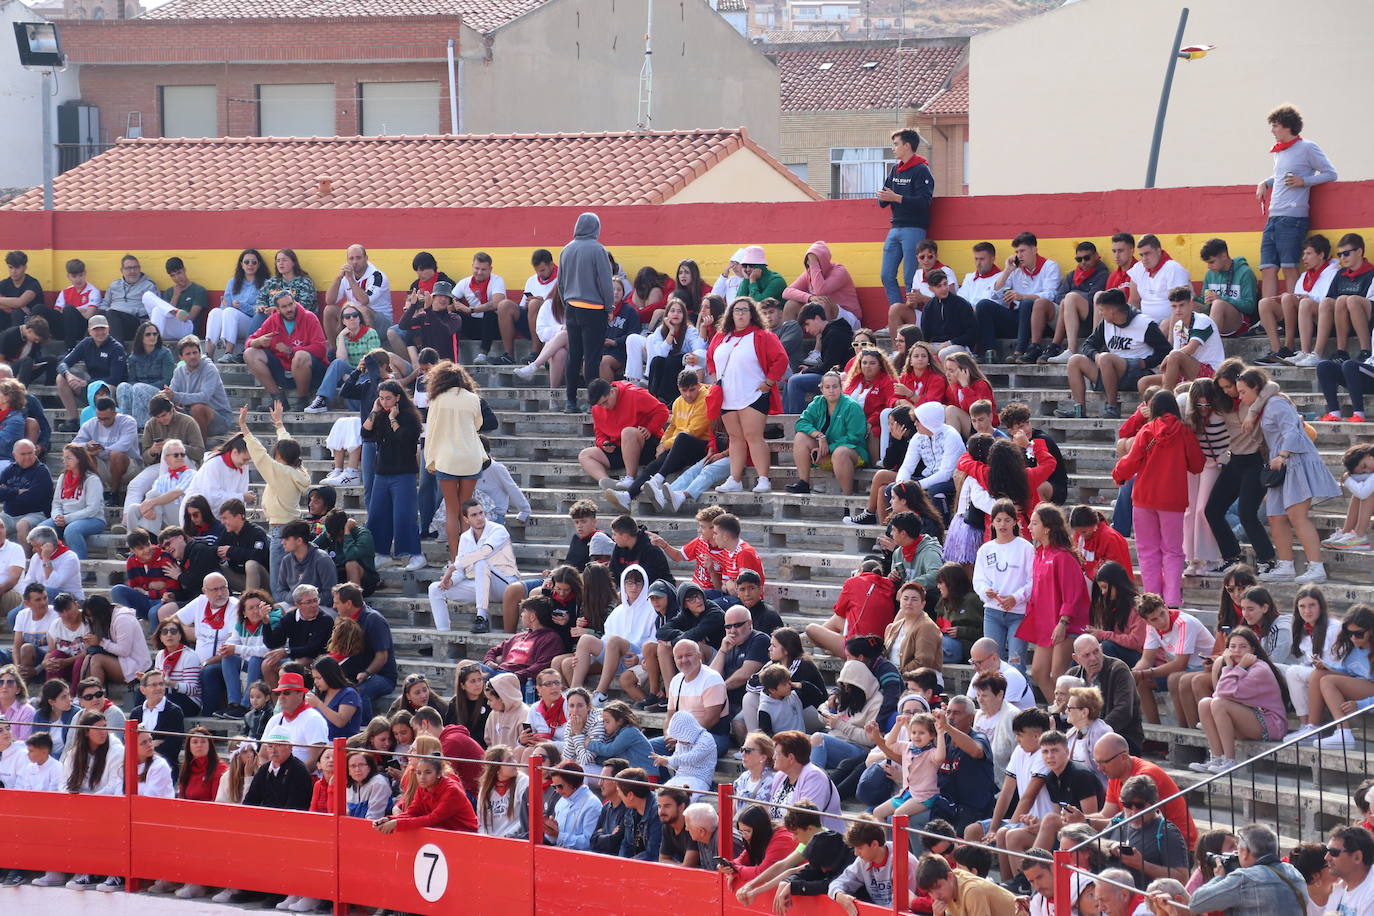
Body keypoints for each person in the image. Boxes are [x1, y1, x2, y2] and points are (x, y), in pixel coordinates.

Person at [1239, 367, 1341, 583]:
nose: (1240, 397)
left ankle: (1316, 567)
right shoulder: (1263, 406)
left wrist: (1283, 456)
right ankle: (1285, 566)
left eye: (1242, 392)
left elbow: (1293, 430)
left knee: (1297, 516)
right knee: (1275, 517)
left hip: (1293, 462)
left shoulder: (1276, 403)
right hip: (1279, 468)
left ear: (1255, 388)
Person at [1111, 390, 1203, 606]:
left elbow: (1131, 461)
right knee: (1172, 551)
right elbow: (1197, 465)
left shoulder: (1146, 431)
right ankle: (1172, 600)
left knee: (1147, 551)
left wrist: (1118, 474)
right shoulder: (1184, 433)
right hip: (1173, 500)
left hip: (1144, 498)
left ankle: (1152, 598)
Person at [1255, 104, 1339, 301]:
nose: (1272, 130)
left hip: (1292, 218)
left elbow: (1331, 173)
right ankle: (1269, 318)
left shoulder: (1307, 147)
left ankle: (1291, 313)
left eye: (1275, 125)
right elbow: (1280, 176)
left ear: (1287, 126)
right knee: (1267, 268)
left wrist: (1305, 181)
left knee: (1289, 266)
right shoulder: (1279, 152)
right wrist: (1265, 183)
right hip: (1273, 216)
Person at [707, 297, 788, 494]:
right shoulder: (721, 336)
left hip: (753, 394)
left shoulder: (762, 335)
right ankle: (735, 479)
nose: (741, 313)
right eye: (737, 310)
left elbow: (781, 359)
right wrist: (716, 379)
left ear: (752, 314)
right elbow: (710, 358)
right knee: (735, 438)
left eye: (745, 310)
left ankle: (763, 479)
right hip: (727, 395)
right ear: (730, 314)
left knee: (754, 436)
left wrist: (768, 383)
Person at [1190, 626, 1290, 774]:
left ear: (1253, 650)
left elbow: (1224, 693)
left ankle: (1230, 762)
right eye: (1233, 647)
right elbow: (1219, 693)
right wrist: (1233, 667)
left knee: (1218, 704)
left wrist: (1236, 667)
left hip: (1271, 724)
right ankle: (1217, 758)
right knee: (1205, 703)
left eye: (1243, 647)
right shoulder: (1234, 667)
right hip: (1248, 718)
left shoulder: (1259, 669)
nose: (1237, 651)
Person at [1058, 289, 1171, 419]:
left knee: (1106, 358)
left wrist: (1146, 362)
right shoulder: (1106, 323)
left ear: (1111, 311)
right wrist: (1096, 356)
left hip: (1137, 373)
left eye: (1101, 310)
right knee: (1075, 360)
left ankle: (1112, 407)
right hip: (1109, 372)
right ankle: (1079, 409)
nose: (1100, 313)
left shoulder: (1144, 323)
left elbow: (1165, 350)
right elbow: (1087, 345)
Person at [1149, 824, 1308, 915]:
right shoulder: (1295, 874)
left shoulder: (1244, 878)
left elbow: (1196, 903)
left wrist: (1219, 876)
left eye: (1238, 850)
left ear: (1245, 853)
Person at [424, 361, 486, 559]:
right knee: (465, 511)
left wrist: (429, 460)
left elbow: (431, 431)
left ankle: (455, 561)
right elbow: (478, 425)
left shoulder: (437, 399)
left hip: (446, 459)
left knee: (452, 511)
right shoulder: (473, 398)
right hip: (470, 457)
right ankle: (468, 558)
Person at [429, 500, 518, 633]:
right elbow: (460, 571)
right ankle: (443, 634)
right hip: (481, 587)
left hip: (506, 587)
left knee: (481, 563)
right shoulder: (465, 537)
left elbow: (484, 552)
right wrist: (450, 580)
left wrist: (452, 567)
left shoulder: (498, 530)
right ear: (466, 519)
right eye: (474, 515)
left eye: (481, 513)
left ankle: (481, 618)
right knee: (435, 588)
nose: (480, 518)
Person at [557, 213, 615, 412]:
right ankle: (593, 403)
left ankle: (570, 401)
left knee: (574, 356)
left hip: (572, 307)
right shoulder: (598, 250)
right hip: (594, 310)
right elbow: (606, 283)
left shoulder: (566, 250)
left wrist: (568, 303)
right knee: (592, 358)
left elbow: (561, 283)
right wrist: (609, 307)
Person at [978, 232, 1063, 364]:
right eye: (1017, 252)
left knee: (1027, 303)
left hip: (1039, 322)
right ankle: (990, 352)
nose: (1019, 255)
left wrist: (1022, 296)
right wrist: (1007, 270)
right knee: (984, 305)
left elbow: (1051, 295)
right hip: (1018, 319)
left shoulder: (1050, 266)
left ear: (1034, 249)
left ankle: (1020, 351)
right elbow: (994, 295)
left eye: (1022, 251)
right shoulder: (1015, 269)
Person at [878, 129, 936, 312]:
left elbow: (924, 201)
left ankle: (913, 318)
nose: (893, 148)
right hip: (895, 227)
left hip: (914, 228)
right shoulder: (895, 169)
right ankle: (899, 312)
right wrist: (885, 196)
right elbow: (882, 200)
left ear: (907, 146)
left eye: (896, 144)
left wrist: (897, 198)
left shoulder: (921, 170)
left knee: (910, 277)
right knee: (886, 275)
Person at [243, 289, 328, 412]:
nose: (289, 309)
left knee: (300, 355)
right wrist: (257, 342)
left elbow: (321, 349)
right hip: (282, 371)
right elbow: (249, 341)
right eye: (284, 307)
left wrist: (291, 350)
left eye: (290, 304)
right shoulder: (273, 320)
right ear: (277, 309)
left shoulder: (309, 317)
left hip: (311, 373)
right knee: (249, 353)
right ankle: (279, 400)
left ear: (295, 302)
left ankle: (303, 400)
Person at [788, 370, 868, 496]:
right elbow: (801, 423)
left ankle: (847, 500)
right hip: (825, 451)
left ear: (841, 388)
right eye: (827, 387)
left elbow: (854, 438)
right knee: (800, 437)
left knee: (840, 453)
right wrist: (819, 436)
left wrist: (828, 448)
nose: (831, 390)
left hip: (852, 453)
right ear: (822, 389)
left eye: (835, 387)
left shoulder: (852, 406)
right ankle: (804, 483)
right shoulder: (818, 402)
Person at [581, 377, 669, 488]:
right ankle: (607, 482)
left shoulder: (634, 394)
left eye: (605, 402)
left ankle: (630, 478)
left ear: (612, 391)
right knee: (585, 455)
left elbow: (662, 411)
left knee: (627, 432)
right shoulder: (596, 409)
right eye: (600, 405)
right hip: (619, 448)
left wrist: (649, 429)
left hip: (646, 444)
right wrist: (604, 443)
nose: (604, 407)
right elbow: (599, 433)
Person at [54, 314, 127, 433]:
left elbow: (115, 378)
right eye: (96, 329)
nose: (100, 332)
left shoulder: (116, 348)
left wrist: (87, 382)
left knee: (102, 389)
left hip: (110, 387)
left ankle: (106, 422)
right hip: (90, 387)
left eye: (102, 328)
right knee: (60, 378)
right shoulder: (86, 344)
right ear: (89, 331)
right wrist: (69, 375)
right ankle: (73, 421)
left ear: (108, 329)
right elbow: (63, 363)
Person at [166, 335, 233, 441]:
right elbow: (171, 395)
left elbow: (204, 397)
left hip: (219, 419)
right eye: (188, 354)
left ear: (200, 353)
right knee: (167, 407)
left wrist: (176, 396)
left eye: (195, 352)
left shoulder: (209, 368)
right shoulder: (178, 372)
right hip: (190, 415)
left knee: (198, 408)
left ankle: (201, 448)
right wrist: (167, 395)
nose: (192, 356)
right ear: (181, 357)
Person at [784, 241, 861, 328]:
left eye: (813, 261)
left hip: (850, 321)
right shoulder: (809, 273)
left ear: (823, 260)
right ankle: (789, 339)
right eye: (808, 262)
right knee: (791, 305)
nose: (810, 266)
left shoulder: (840, 271)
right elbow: (786, 292)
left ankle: (821, 341)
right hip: (826, 318)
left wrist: (814, 262)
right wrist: (809, 298)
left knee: (822, 302)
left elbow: (821, 291)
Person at [916, 853, 1018, 915]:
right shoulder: (948, 890)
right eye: (930, 891)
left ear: (950, 877)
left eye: (938, 887)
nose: (935, 895)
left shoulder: (972, 891)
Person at [1197, 237, 1259, 338]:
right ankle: (1173, 350)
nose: (1209, 267)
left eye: (1212, 262)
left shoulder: (1245, 273)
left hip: (1239, 323)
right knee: (1186, 304)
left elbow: (1250, 307)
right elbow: (1204, 303)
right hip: (1214, 318)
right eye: (1207, 263)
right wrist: (1192, 297)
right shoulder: (1210, 274)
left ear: (1224, 256)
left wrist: (1222, 299)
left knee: (1218, 304)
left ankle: (1210, 347)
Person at [114, 321, 173, 425]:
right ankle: (125, 424)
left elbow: (167, 379)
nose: (152, 337)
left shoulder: (165, 353)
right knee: (122, 387)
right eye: (148, 334)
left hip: (159, 391)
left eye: (155, 334)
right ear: (141, 337)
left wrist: (142, 387)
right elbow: (132, 380)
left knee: (138, 388)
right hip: (138, 390)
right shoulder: (133, 357)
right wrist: (137, 387)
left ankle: (140, 425)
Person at [272, 521, 338, 609]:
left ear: (299, 540)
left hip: (320, 606)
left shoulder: (322, 559)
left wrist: (306, 603)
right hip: (294, 604)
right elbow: (281, 590)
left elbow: (330, 593)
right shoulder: (286, 560)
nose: (282, 542)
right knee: (275, 611)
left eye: (287, 539)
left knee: (296, 614)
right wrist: (295, 600)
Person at [0, 439, 53, 544]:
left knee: (22, 525)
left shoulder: (42, 471)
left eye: (30, 453)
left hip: (35, 513)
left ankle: (25, 559)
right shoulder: (10, 469)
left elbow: (33, 498)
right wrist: (16, 492)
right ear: (14, 455)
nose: (27, 457)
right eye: (23, 454)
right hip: (8, 514)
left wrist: (7, 493)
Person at [1323, 826, 1374, 916]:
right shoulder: (1339, 886)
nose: (1327, 857)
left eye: (1334, 852)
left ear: (1357, 857)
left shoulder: (1371, 894)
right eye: (1327, 851)